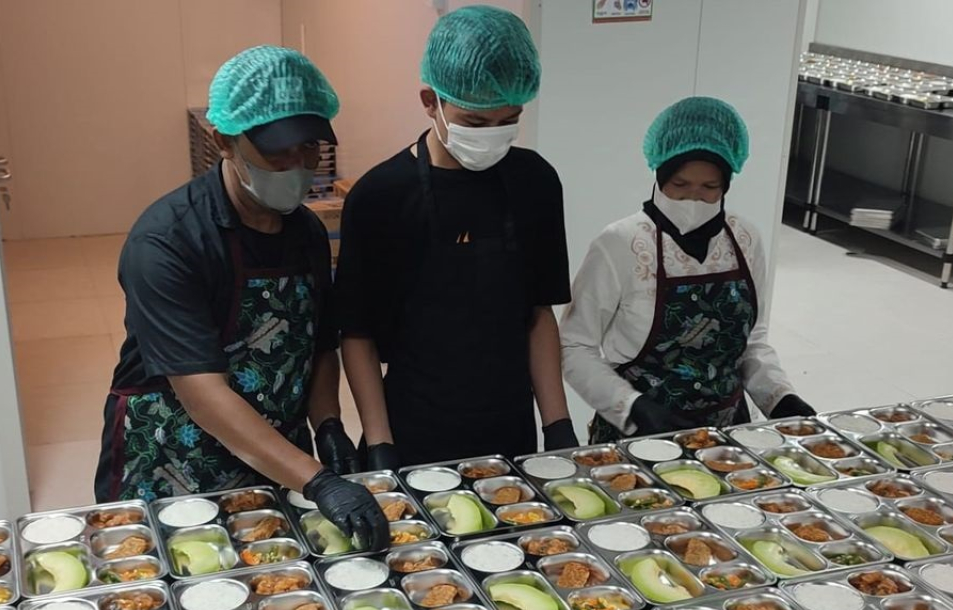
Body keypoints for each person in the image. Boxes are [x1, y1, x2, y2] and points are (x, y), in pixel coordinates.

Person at [95, 46, 388, 550]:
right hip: (175, 456)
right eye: (277, 152)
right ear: (224, 142)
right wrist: (319, 482)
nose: (297, 166)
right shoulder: (167, 241)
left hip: (277, 453)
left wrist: (328, 424)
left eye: (309, 148)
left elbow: (317, 344)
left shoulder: (307, 232)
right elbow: (202, 395)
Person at [336, 5, 579, 469]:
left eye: (508, 120)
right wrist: (380, 443)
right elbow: (358, 334)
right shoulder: (380, 196)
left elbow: (538, 313)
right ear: (430, 101)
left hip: (509, 425)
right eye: (475, 123)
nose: (493, 136)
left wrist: (557, 425)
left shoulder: (535, 182)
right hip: (412, 425)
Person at [560, 96, 814, 441]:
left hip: (726, 436)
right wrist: (630, 407)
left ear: (727, 184)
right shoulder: (621, 244)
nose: (693, 198)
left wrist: (780, 397)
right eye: (680, 185)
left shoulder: (744, 239)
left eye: (709, 187)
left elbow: (751, 344)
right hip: (639, 435)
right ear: (659, 175)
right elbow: (575, 346)